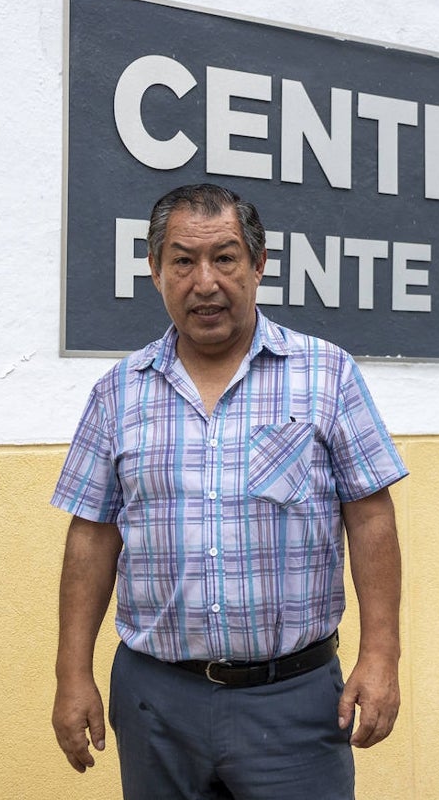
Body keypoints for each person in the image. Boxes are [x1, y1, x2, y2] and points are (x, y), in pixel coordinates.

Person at [50, 183, 408, 799]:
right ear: (155, 268)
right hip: (156, 703)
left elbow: (371, 517)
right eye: (183, 260)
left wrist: (381, 656)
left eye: (225, 257)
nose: (205, 281)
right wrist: (71, 670)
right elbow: (92, 534)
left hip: (291, 703)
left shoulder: (326, 374)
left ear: (259, 263)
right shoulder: (118, 392)